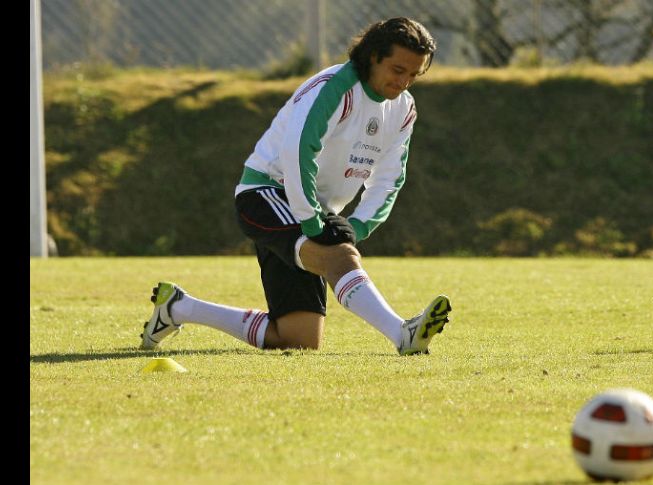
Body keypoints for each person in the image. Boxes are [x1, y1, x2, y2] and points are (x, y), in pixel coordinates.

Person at [140, 17, 451, 356]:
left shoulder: (403, 109)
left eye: (413, 75)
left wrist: (358, 226)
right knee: (340, 257)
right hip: (266, 194)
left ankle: (179, 308)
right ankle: (402, 333)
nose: (404, 82)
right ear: (374, 55)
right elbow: (299, 150)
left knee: (297, 338)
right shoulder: (334, 88)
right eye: (397, 69)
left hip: (311, 208)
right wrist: (313, 222)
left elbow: (391, 176)